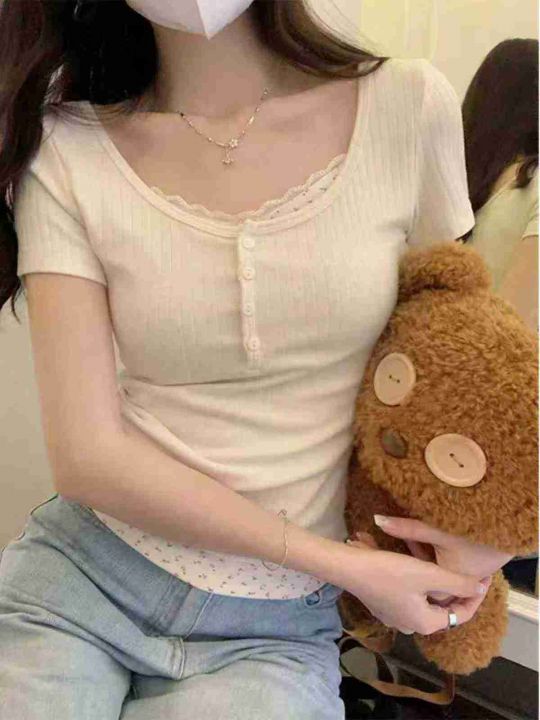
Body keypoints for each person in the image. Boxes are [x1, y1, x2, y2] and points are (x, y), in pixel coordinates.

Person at [0, 1, 506, 718]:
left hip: (272, 634)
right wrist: (340, 564)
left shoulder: (406, 104)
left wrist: (488, 534)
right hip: (82, 581)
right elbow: (86, 456)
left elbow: (465, 364)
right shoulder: (66, 148)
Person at [461, 38, 539, 333]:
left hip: (440, 348)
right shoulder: (532, 183)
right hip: (499, 354)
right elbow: (513, 321)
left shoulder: (461, 180)